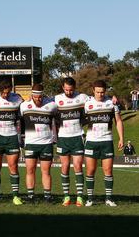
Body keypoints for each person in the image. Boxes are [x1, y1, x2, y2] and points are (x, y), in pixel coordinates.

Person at [83, 80, 124, 207]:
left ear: (105, 91)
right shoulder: (87, 103)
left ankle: (109, 198)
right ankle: (90, 198)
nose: (100, 94)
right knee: (90, 170)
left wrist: (121, 138)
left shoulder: (111, 103)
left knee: (108, 170)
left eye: (102, 92)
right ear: (93, 91)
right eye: (98, 92)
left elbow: (118, 121)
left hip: (107, 141)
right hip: (91, 142)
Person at [54, 77, 89, 207]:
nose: (69, 92)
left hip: (77, 137)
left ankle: (80, 197)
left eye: (71, 90)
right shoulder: (57, 99)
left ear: (75, 88)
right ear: (63, 88)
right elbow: (45, 103)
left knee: (78, 167)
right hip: (63, 138)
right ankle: (66, 196)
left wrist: (111, 98)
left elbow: (98, 99)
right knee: (64, 167)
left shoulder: (83, 97)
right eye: (66, 90)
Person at [20, 84, 57, 203]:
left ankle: (47, 196)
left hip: (46, 144)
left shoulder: (51, 105)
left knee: (46, 171)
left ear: (43, 95)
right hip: (31, 143)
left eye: (40, 97)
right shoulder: (24, 106)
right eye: (35, 97)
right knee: (30, 170)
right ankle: (31, 196)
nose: (38, 99)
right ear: (32, 95)